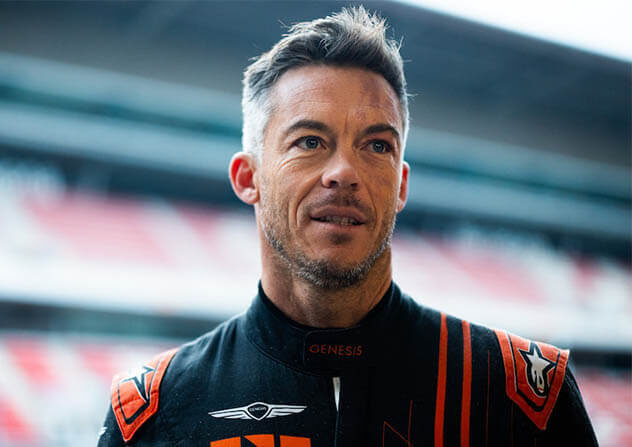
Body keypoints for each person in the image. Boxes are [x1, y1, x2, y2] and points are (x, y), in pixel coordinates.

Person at [97, 6, 597, 446]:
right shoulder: (157, 410)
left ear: (400, 186)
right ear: (248, 178)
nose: (344, 172)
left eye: (377, 146)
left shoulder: (520, 396)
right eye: (309, 142)